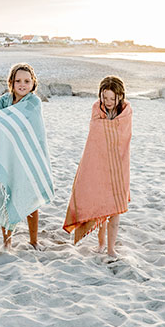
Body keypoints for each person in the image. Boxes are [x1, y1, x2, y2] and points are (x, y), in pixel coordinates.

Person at [0, 63, 54, 250]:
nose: (22, 85)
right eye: (18, 81)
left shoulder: (34, 103)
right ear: (11, 83)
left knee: (30, 195)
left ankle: (33, 241)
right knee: (5, 196)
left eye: (26, 81)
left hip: (28, 155)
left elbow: (34, 132)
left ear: (33, 83)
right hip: (8, 155)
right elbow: (0, 125)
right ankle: (7, 242)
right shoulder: (4, 101)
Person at [63, 75, 132, 257]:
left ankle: (111, 249)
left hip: (118, 165)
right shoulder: (96, 108)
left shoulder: (126, 111)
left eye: (112, 98)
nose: (108, 102)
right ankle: (101, 244)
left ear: (120, 97)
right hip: (98, 163)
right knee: (101, 206)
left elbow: (123, 135)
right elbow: (97, 133)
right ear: (100, 95)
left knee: (115, 209)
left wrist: (109, 127)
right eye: (105, 97)